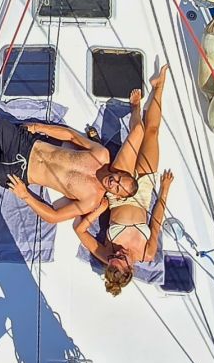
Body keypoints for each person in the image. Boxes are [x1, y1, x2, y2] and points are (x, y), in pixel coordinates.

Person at [0, 101, 138, 224]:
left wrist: (25, 195)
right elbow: (70, 135)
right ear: (121, 172)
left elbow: (54, 217)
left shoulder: (91, 200)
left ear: (117, 196)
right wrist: (38, 127)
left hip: (18, 172)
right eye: (120, 179)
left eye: (118, 188)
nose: (114, 182)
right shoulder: (101, 155)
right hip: (25, 143)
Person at [73, 66, 173, 295]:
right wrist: (164, 190)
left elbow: (80, 231)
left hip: (117, 193)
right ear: (130, 269)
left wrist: (100, 211)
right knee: (152, 132)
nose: (117, 253)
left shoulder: (106, 253)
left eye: (113, 257)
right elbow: (156, 223)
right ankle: (159, 87)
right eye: (121, 257)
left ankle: (135, 107)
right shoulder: (147, 254)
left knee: (137, 134)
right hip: (144, 190)